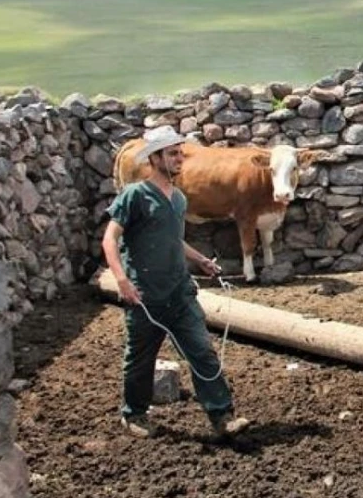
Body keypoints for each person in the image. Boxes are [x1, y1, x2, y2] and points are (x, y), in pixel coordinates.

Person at [101, 125, 251, 439]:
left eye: (180, 152)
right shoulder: (135, 196)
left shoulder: (179, 199)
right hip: (145, 295)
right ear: (154, 159)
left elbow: (173, 240)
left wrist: (199, 259)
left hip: (179, 291)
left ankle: (222, 415)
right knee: (140, 359)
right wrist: (121, 280)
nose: (179, 159)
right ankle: (134, 414)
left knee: (202, 351)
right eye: (171, 154)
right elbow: (109, 240)